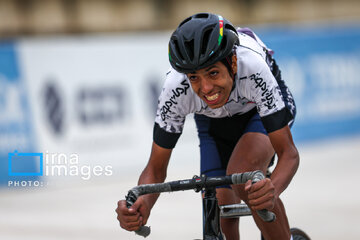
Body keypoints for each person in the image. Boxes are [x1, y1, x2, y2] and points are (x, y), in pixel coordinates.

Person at [116, 12, 299, 240]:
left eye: (213, 73)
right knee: (218, 212)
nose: (206, 88)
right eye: (194, 77)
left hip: (257, 112)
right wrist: (141, 204)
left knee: (244, 178)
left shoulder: (252, 68)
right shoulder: (176, 89)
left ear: (232, 63)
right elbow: (155, 168)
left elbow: (288, 154)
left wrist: (272, 190)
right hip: (214, 121)